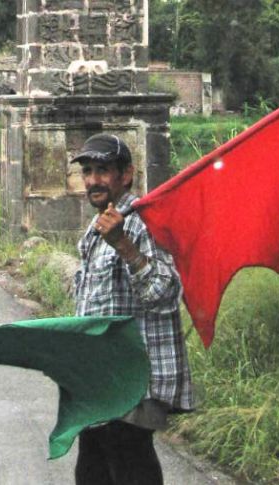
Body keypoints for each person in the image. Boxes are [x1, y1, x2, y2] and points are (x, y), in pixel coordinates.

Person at [70, 133, 195, 485]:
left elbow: (166, 293)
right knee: (92, 470)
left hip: (135, 381)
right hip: (103, 379)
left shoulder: (144, 223)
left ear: (126, 174)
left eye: (103, 170)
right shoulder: (97, 230)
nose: (93, 180)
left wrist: (123, 243)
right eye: (88, 171)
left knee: (130, 465)